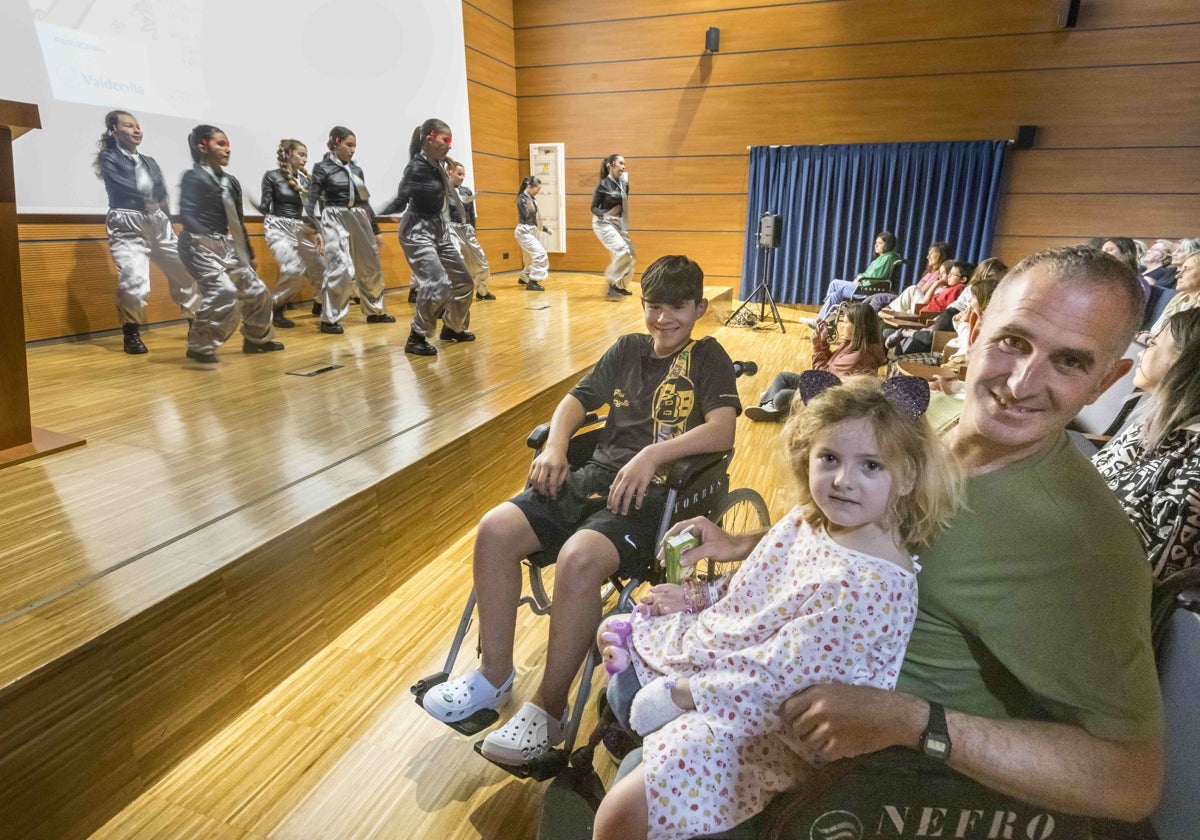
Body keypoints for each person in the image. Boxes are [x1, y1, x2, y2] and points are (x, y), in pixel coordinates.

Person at [655, 246, 1164, 826]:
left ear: (1107, 380)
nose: (1022, 382)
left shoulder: (1083, 546)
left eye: (1070, 362)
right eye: (1014, 341)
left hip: (856, 771)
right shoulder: (931, 424)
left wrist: (915, 722)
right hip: (774, 669)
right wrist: (744, 544)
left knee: (636, 782)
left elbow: (1132, 779)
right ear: (974, 327)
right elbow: (872, 531)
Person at [592, 373, 964, 840]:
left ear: (908, 475)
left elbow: (782, 689)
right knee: (620, 662)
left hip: (770, 728)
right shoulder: (809, 520)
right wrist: (697, 598)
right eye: (829, 458)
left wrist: (681, 693)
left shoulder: (871, 586)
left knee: (619, 814)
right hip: (732, 665)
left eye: (871, 466)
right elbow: (752, 586)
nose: (844, 481)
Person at [420, 255, 742, 765]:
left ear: (699, 307)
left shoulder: (708, 357)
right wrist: (554, 445)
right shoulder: (627, 349)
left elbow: (722, 429)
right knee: (496, 528)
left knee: (577, 558)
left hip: (654, 495)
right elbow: (576, 399)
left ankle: (547, 710)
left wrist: (652, 454)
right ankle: (494, 676)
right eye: (653, 306)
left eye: (677, 307)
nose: (663, 319)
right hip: (594, 477)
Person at [1094, 308, 1200, 580]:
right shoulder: (1153, 423)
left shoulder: (1194, 468)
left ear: (1183, 360)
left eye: (1152, 343)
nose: (1141, 352)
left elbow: (1153, 573)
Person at [94, 110, 201, 354]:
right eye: (129, 125)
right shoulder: (108, 157)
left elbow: (163, 196)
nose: (137, 129)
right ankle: (131, 332)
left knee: (186, 272)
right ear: (114, 131)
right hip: (127, 222)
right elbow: (121, 185)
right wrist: (146, 199)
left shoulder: (150, 161)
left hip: (159, 223)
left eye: (138, 125)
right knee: (134, 280)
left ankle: (196, 327)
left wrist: (172, 227)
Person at [177, 125, 284, 364]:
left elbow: (237, 221)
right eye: (221, 144)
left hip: (225, 245)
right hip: (196, 244)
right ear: (202, 146)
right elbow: (186, 214)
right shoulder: (192, 177)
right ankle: (199, 346)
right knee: (223, 292)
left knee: (258, 293)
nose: (228, 149)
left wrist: (248, 252)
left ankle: (257, 339)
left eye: (228, 144)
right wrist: (204, 238)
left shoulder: (231, 182)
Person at [380, 119, 475, 357]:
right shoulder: (417, 167)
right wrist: (375, 216)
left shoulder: (438, 164)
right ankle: (416, 336)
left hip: (438, 229)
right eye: (446, 140)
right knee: (437, 284)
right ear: (429, 139)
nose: (450, 146)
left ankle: (452, 328)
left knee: (464, 282)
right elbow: (401, 199)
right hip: (417, 229)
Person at [305, 126, 393, 335]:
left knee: (370, 264)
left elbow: (365, 200)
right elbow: (311, 201)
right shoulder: (322, 167)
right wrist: (315, 228)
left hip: (359, 216)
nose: (353, 150)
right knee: (341, 267)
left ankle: (375, 311)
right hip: (334, 216)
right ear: (336, 143)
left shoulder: (356, 170)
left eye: (355, 146)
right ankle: (330, 318)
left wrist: (376, 229)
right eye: (349, 145)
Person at [746, 302, 886, 422]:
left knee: (782, 397)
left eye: (845, 323)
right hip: (827, 387)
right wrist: (823, 341)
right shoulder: (855, 345)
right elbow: (831, 363)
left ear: (858, 327)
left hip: (829, 398)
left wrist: (816, 346)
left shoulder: (859, 357)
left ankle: (772, 403)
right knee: (783, 377)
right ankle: (769, 405)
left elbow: (821, 376)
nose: (841, 326)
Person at [260, 139, 326, 329]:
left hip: (299, 227)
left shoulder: (305, 180)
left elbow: (311, 211)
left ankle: (321, 305)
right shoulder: (272, 176)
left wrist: (318, 232)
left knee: (322, 269)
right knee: (293, 268)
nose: (305, 159)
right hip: (277, 226)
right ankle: (275, 308)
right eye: (301, 154)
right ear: (288, 154)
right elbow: (265, 207)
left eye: (306, 155)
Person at [809, 230, 901, 324]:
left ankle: (825, 317)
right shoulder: (885, 257)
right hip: (866, 285)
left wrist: (860, 278)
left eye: (880, 243)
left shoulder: (887, 258)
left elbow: (875, 276)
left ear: (888, 244)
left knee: (834, 283)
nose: (875, 245)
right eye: (876, 243)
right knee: (834, 295)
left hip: (868, 289)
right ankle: (824, 318)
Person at [446, 158, 493, 301]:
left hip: (466, 229)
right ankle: (451, 297)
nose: (462, 177)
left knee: (482, 261)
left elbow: (471, 213)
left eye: (463, 175)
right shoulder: (441, 190)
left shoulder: (466, 191)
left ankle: (482, 291)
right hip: (449, 229)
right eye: (459, 174)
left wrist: (474, 230)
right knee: (456, 262)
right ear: (450, 172)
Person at [592, 154, 635, 300]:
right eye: (621, 163)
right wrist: (605, 214)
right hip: (603, 223)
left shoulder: (624, 184)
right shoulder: (603, 184)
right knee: (622, 251)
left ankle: (619, 286)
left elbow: (623, 206)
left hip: (618, 223)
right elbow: (593, 208)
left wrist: (622, 224)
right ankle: (611, 285)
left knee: (631, 256)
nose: (623, 167)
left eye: (625, 164)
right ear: (612, 164)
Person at [879, 241, 953, 314]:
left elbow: (921, 291)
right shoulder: (929, 272)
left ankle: (886, 311)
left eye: (931, 253)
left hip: (922, 304)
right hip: (915, 300)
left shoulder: (938, 274)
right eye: (928, 253)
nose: (928, 257)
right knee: (879, 298)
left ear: (941, 255)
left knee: (912, 289)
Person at [1149, 250, 1200, 334]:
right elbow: (1157, 333)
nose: (1178, 275)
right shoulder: (1179, 299)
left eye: (1187, 269)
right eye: (1181, 269)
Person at [515, 176, 552, 291]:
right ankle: (533, 281)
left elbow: (536, 220)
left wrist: (545, 229)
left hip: (532, 231)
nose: (538, 191)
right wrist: (530, 205)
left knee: (530, 258)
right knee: (540, 254)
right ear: (530, 187)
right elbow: (527, 215)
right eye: (537, 189)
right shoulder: (522, 199)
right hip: (524, 232)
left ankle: (524, 277)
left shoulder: (532, 199)